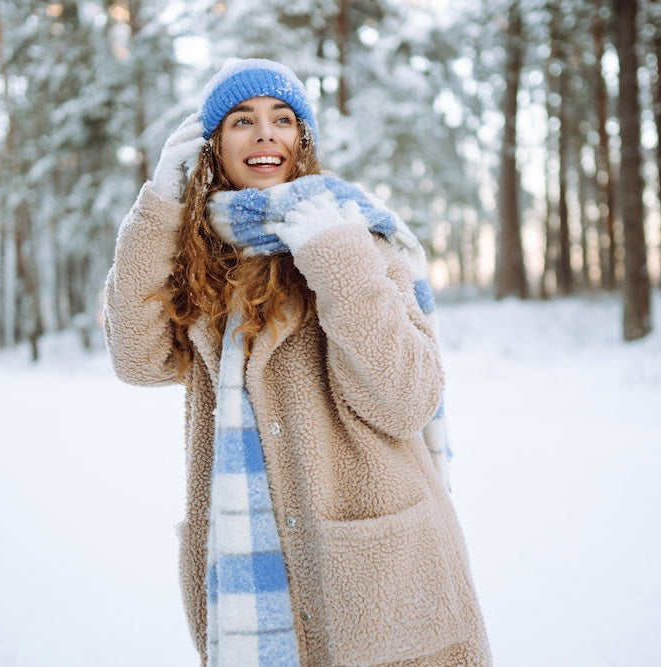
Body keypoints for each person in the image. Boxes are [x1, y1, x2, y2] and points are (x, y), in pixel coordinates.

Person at [104, 58, 491, 667]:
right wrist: (160, 208)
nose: (265, 133)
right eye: (242, 121)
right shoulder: (203, 258)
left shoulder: (358, 236)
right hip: (253, 574)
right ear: (212, 147)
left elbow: (407, 399)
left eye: (282, 119)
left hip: (380, 582)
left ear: (301, 139)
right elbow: (137, 358)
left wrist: (337, 259)